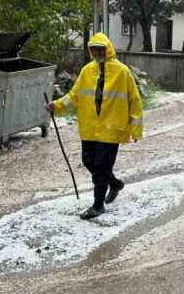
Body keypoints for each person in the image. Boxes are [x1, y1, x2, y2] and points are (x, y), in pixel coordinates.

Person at [46, 33, 144, 220]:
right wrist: (56, 105)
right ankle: (114, 183)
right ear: (90, 51)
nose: (98, 52)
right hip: (90, 126)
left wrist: (136, 129)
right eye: (94, 49)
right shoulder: (86, 71)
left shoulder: (122, 72)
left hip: (112, 127)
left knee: (101, 166)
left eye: (101, 48)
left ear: (108, 49)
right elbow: (74, 95)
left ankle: (98, 205)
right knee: (88, 160)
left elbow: (134, 100)